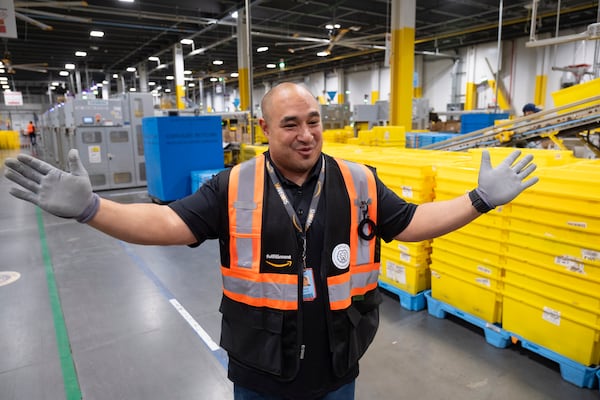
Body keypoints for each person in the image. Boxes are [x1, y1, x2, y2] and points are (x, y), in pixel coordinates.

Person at [3, 82, 538, 400]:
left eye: (314, 121)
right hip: (261, 368)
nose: (306, 134)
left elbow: (412, 222)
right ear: (265, 130)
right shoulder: (233, 187)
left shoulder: (357, 181)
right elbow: (166, 226)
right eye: (290, 125)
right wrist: (94, 209)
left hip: (336, 364)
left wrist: (479, 201)